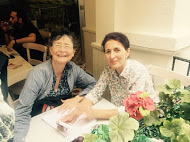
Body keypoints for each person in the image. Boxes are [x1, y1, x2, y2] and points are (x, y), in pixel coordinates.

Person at [14, 28, 96, 142]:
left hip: (64, 121)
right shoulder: (37, 74)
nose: (62, 50)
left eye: (67, 46)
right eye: (58, 45)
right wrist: (19, 139)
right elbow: (22, 111)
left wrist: (77, 98)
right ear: (51, 50)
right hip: (40, 121)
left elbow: (94, 85)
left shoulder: (74, 69)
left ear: (73, 52)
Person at [60, 32, 158, 124]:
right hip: (120, 115)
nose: (112, 56)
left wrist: (94, 113)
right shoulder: (109, 70)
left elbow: (131, 109)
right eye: (108, 51)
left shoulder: (137, 71)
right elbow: (96, 92)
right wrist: (78, 111)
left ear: (127, 52)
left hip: (145, 119)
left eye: (117, 50)